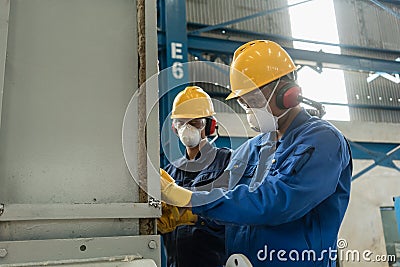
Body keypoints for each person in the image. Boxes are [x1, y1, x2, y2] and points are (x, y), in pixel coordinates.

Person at [160, 40, 353, 267]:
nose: (250, 110)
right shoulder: (248, 151)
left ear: (286, 92)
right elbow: (231, 208)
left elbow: (278, 200)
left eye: (254, 100)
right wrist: (190, 215)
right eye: (244, 103)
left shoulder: (321, 140)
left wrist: (191, 199)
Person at [158, 86, 232, 267]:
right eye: (181, 123)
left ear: (209, 126)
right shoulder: (169, 171)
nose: (187, 128)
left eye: (195, 122)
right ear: (174, 128)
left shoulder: (228, 161)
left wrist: (194, 215)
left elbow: (232, 211)